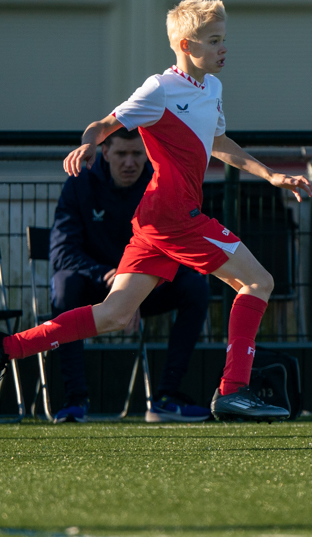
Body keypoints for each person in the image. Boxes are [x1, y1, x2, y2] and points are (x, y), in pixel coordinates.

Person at [0, 0, 312, 421]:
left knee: (115, 314)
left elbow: (220, 144)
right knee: (259, 282)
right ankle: (233, 390)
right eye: (215, 40)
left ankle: (4, 346)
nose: (224, 48)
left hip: (157, 220)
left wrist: (272, 175)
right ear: (187, 45)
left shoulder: (213, 88)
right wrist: (88, 144)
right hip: (174, 217)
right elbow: (105, 125)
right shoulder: (160, 89)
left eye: (224, 39)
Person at [49, 126, 211, 423]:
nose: (130, 162)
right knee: (63, 285)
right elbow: (61, 253)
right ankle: (74, 400)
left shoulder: (160, 184)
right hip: (95, 288)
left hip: (147, 286)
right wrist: (110, 276)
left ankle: (166, 398)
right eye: (122, 153)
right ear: (105, 152)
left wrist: (137, 285)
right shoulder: (79, 184)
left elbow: (179, 246)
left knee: (195, 286)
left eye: (137, 154)